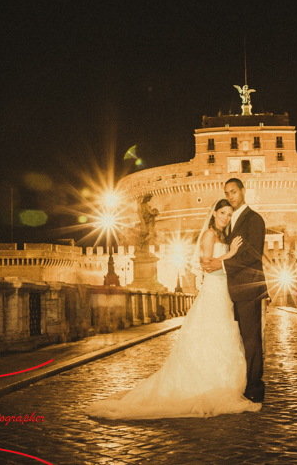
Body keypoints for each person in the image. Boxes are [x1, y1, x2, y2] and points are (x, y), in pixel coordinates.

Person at [85, 199, 261, 419]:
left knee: (220, 336)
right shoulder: (209, 235)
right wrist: (232, 253)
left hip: (223, 292)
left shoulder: (223, 236)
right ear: (214, 213)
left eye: (229, 214)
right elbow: (206, 264)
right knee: (211, 335)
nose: (225, 217)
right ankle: (204, 384)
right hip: (214, 292)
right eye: (222, 213)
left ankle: (219, 379)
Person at [202, 178, 269, 403]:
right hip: (232, 291)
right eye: (227, 193)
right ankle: (242, 382)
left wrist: (221, 263)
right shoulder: (229, 224)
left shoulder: (254, 219)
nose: (231, 196)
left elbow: (252, 255)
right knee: (239, 341)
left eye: (234, 191)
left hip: (248, 289)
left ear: (243, 191)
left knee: (251, 340)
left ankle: (254, 387)